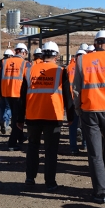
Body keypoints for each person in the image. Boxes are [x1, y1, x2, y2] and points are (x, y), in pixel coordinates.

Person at [72, 29, 105, 204]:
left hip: (89, 110)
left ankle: (101, 192)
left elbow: (76, 89)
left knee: (95, 153)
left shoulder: (81, 60)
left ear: (95, 44)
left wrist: (79, 108)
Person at [18, 41, 73, 190]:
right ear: (57, 55)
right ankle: (50, 182)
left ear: (43, 54)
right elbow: (68, 96)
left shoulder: (30, 70)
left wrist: (19, 119)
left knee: (32, 147)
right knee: (50, 151)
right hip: (53, 117)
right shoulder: (61, 71)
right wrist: (71, 117)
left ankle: (30, 177)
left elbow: (21, 97)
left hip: (33, 116)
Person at [0, 44, 29, 151]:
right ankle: (12, 143)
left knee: (15, 117)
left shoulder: (5, 62)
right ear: (23, 52)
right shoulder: (25, 63)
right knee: (18, 119)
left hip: (7, 93)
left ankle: (20, 137)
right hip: (18, 94)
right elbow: (27, 81)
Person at [66, 49, 87, 155]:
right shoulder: (85, 67)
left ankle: (73, 147)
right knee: (85, 124)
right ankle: (84, 144)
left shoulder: (69, 67)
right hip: (83, 100)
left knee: (72, 125)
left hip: (71, 100)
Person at [0, 49, 14, 134]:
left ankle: (0, 122)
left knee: (1, 107)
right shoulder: (10, 65)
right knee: (8, 107)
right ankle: (6, 122)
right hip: (8, 90)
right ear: (11, 56)